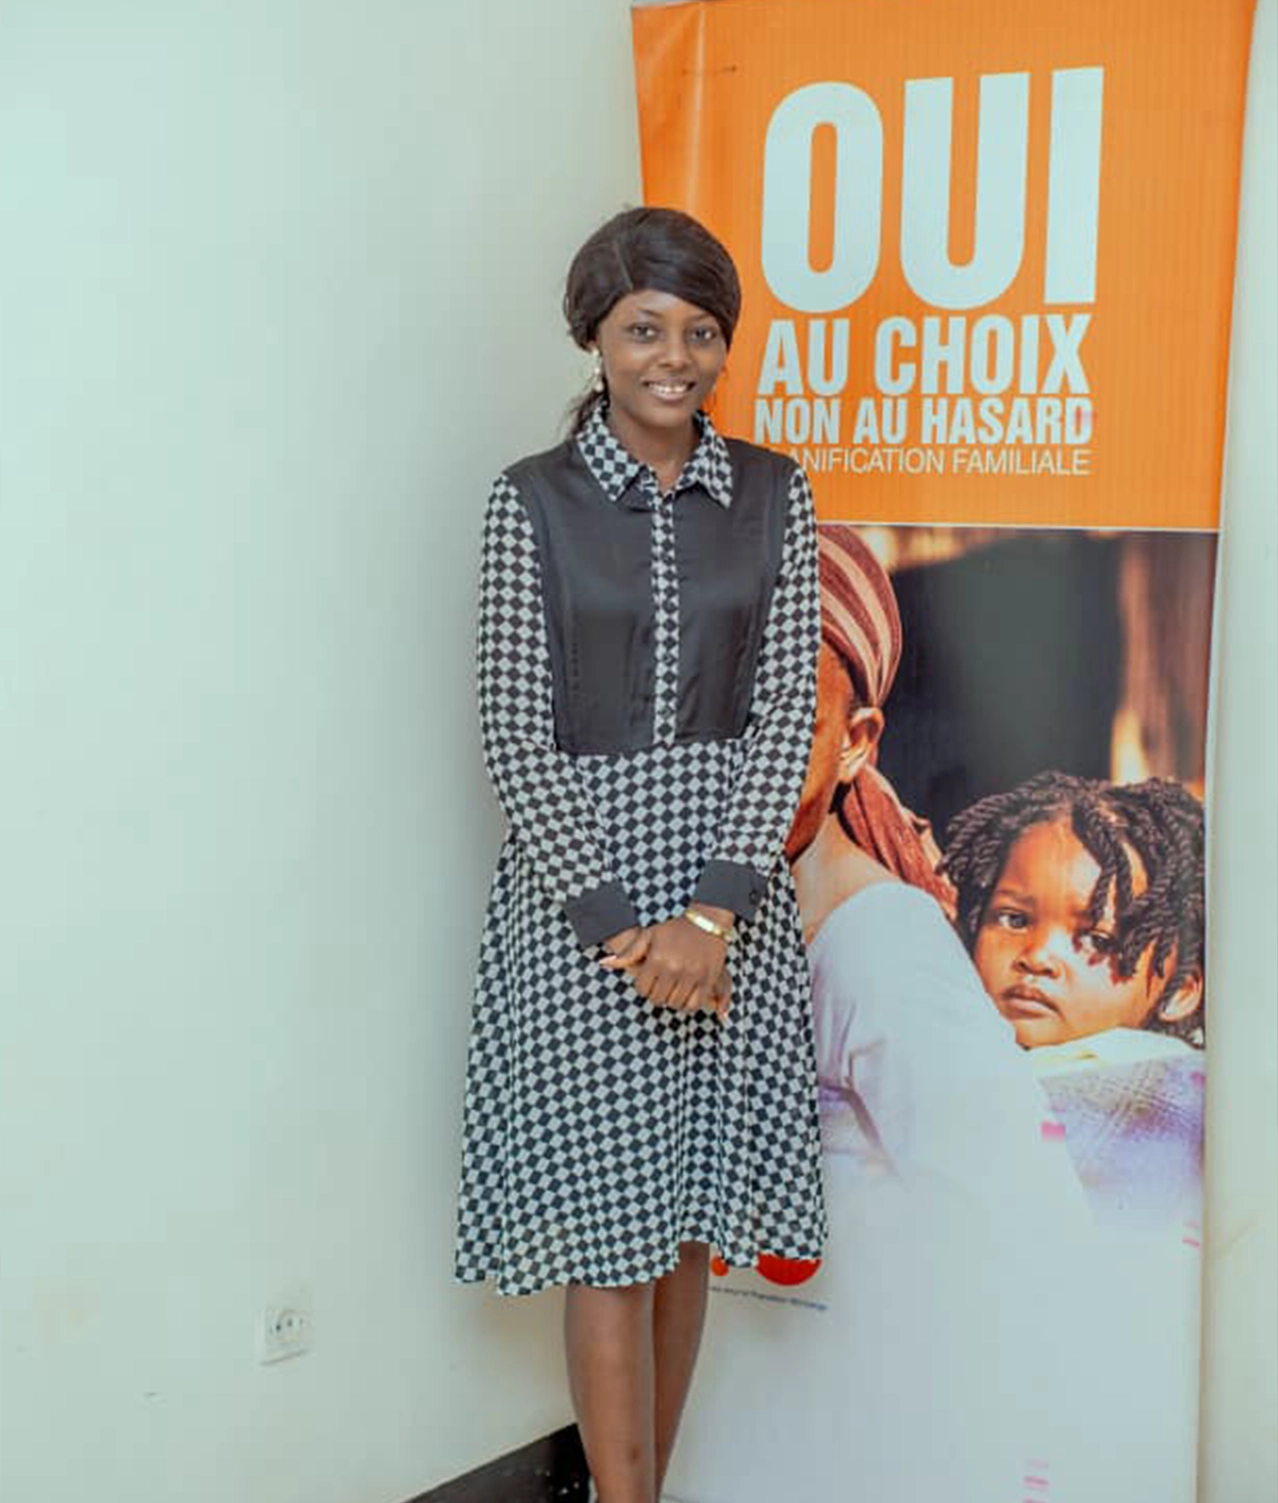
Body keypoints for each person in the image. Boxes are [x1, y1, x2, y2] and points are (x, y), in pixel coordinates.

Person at [453, 206, 826, 1503]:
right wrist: (625, 928)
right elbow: (513, 732)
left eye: (700, 331)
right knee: (609, 1241)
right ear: (595, 339)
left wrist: (710, 917)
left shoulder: (775, 493)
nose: (674, 357)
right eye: (643, 329)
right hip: (582, 910)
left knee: (686, 1227)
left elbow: (786, 710)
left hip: (730, 897)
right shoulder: (531, 502)